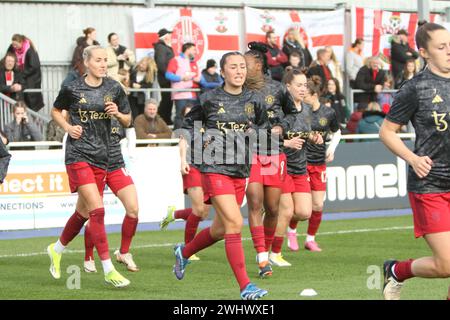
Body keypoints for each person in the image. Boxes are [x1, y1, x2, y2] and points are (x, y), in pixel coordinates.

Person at [173, 51, 271, 300]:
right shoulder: (209, 99)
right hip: (214, 168)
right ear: (223, 71)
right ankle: (246, 286)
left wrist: (256, 131)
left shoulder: (254, 99)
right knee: (236, 224)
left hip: (241, 170)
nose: (239, 71)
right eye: (234, 67)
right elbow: (186, 125)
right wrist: (199, 143)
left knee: (219, 230)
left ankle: (183, 253)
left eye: (242, 67)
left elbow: (264, 128)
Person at [46, 45, 132, 288]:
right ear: (86, 63)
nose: (104, 64)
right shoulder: (72, 87)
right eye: (99, 60)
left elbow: (128, 119)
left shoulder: (114, 88)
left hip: (103, 157)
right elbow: (55, 111)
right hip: (78, 154)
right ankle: (108, 269)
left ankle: (56, 248)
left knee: (83, 213)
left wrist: (118, 114)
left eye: (106, 60)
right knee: (97, 210)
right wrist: (68, 128)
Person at [380, 22, 450, 300]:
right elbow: (386, 132)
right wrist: (412, 158)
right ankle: (397, 270)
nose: (449, 52)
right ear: (424, 52)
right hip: (430, 185)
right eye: (441, 47)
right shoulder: (416, 88)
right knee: (446, 265)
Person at [269, 69, 323, 267]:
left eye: (305, 85)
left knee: (303, 212)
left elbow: (305, 133)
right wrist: (286, 144)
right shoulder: (278, 110)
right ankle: (274, 253)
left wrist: (313, 137)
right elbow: (267, 138)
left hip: (300, 167)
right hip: (281, 165)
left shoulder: (307, 109)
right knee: (286, 210)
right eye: (299, 85)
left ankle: (272, 215)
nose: (303, 89)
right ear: (287, 86)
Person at [244, 42, 287, 278]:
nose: (240, 68)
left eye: (245, 64)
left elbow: (291, 114)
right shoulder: (238, 90)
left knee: (272, 208)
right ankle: (262, 257)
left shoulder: (277, 89)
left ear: (258, 65)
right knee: (255, 203)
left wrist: (283, 127)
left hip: (273, 152)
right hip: (249, 153)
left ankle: (267, 249)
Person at [286, 77, 341, 253]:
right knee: (303, 208)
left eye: (306, 95)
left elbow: (337, 131)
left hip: (319, 163)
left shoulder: (328, 113)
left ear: (315, 95)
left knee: (318, 205)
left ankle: (310, 239)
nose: (303, 98)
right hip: (302, 162)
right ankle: (292, 232)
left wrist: (331, 149)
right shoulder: (300, 111)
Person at [83, 117, 139, 273]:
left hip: (116, 165)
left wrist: (132, 155)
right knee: (94, 214)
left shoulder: (119, 108)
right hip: (93, 167)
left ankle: (124, 252)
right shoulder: (91, 106)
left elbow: (130, 127)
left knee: (133, 209)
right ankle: (88, 257)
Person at [160, 105, 209, 262]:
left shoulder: (210, 124)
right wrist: (183, 161)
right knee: (198, 209)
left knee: (202, 213)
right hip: (191, 166)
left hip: (207, 168)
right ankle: (187, 248)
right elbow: (183, 143)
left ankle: (173, 214)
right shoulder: (189, 126)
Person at [165, 42, 200, 129]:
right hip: (180, 94)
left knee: (195, 117)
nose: (196, 52)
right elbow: (168, 75)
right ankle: (177, 139)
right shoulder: (175, 60)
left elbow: (198, 77)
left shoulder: (193, 62)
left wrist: (198, 79)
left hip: (192, 93)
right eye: (194, 49)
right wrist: (182, 78)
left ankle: (194, 139)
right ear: (187, 49)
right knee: (180, 116)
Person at [7, 34, 44, 111]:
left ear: (21, 42)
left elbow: (34, 66)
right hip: (20, 77)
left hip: (31, 79)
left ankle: (36, 120)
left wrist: (21, 74)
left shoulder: (30, 50)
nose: (14, 46)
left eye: (16, 45)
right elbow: (7, 57)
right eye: (13, 44)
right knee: (19, 97)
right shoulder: (12, 48)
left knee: (31, 99)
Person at [154, 28, 175, 125]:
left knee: (168, 99)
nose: (171, 36)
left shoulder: (163, 47)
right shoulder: (161, 48)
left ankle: (165, 119)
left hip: (167, 77)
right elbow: (161, 63)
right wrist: (169, 75)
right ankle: (161, 119)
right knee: (166, 99)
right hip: (165, 78)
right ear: (166, 36)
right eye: (169, 34)